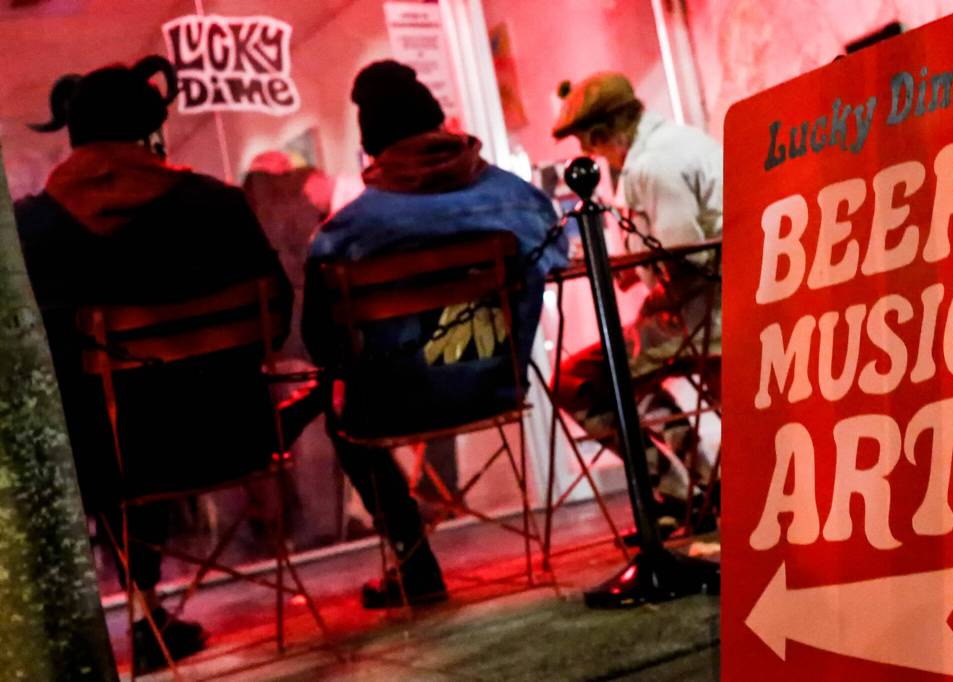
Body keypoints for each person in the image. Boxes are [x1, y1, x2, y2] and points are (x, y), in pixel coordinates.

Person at [15, 57, 293, 672]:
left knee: (107, 417)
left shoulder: (32, 229)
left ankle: (139, 614)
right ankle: (151, 616)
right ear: (150, 131)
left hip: (110, 462)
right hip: (234, 437)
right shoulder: (219, 206)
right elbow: (277, 316)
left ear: (75, 134)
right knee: (149, 408)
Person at [302, 60, 566, 608]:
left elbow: (320, 342)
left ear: (371, 148)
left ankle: (414, 558)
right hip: (498, 384)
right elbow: (558, 257)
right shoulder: (516, 197)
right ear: (439, 125)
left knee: (339, 411)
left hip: (395, 404)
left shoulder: (346, 230)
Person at [551, 71, 723, 536]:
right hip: (709, 310)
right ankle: (702, 487)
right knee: (628, 378)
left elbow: (684, 255)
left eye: (587, 142)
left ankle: (680, 492)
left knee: (576, 383)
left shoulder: (651, 166)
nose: (589, 153)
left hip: (702, 319)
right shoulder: (681, 142)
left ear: (601, 133)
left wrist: (626, 264)